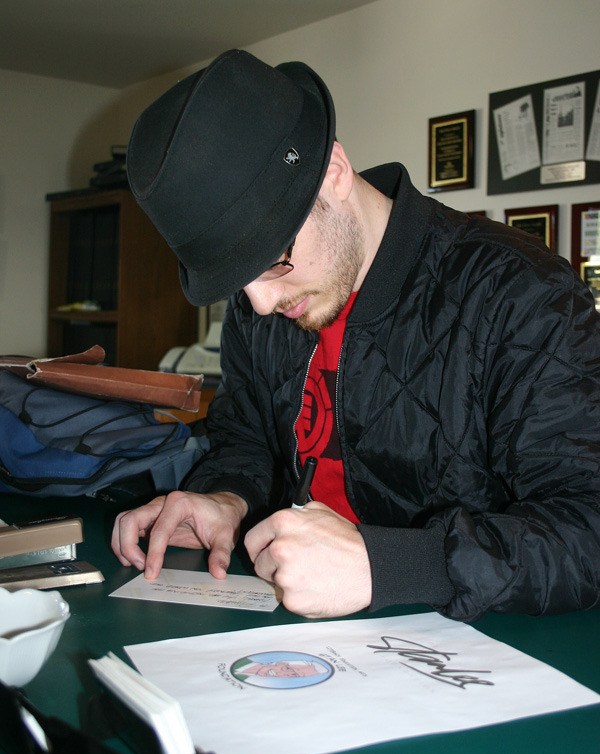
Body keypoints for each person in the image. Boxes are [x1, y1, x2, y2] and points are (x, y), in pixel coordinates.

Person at [112, 49, 600, 622]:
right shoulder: (262, 298)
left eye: (274, 261)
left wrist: (390, 565)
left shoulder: (523, 294)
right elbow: (246, 434)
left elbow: (587, 524)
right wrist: (225, 496)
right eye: (239, 284)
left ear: (334, 174)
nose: (261, 303)